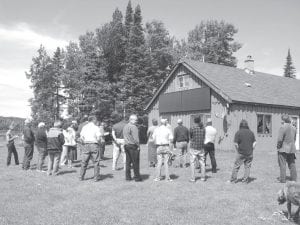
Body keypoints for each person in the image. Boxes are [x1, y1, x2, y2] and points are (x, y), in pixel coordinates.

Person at [229, 120, 256, 184]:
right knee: (247, 167)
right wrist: (252, 149)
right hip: (249, 153)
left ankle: (233, 180)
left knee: (236, 166)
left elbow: (235, 143)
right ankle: (245, 181)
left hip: (241, 152)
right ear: (247, 125)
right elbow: (255, 143)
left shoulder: (238, 132)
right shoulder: (251, 132)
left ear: (240, 125)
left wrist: (238, 150)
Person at [79, 116, 101, 181]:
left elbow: (81, 137)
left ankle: (81, 177)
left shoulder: (84, 127)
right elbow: (99, 137)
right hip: (94, 144)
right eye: (96, 120)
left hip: (86, 144)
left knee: (84, 162)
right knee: (96, 162)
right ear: (93, 120)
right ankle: (96, 177)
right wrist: (99, 143)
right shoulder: (96, 127)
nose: (96, 121)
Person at [277, 114, 297, 183]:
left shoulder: (282, 127)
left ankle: (282, 179)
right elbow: (294, 139)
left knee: (282, 164)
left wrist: (278, 147)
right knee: (292, 164)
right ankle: (294, 178)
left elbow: (280, 139)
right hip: (292, 148)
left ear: (283, 120)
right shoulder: (294, 128)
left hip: (283, 148)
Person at [123, 114, 142, 182]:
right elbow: (136, 139)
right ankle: (137, 177)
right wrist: (138, 146)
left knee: (128, 162)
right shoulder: (134, 127)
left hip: (126, 145)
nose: (136, 121)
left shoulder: (125, 126)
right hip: (133, 146)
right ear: (131, 119)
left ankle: (128, 177)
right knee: (135, 162)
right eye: (135, 120)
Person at [189, 117, 206, 182]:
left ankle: (193, 178)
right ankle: (203, 178)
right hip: (201, 147)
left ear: (194, 121)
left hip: (193, 147)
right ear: (200, 121)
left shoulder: (192, 128)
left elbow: (190, 137)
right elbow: (204, 137)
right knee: (202, 163)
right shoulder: (203, 129)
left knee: (192, 163)